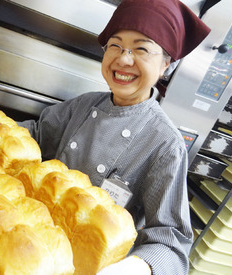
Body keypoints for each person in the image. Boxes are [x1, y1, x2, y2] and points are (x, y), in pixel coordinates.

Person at [18, 0, 211, 274]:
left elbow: (171, 244)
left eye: (141, 49)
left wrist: (134, 269)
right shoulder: (83, 105)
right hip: (28, 240)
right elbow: (34, 135)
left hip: (85, 265)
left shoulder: (165, 144)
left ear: (166, 64)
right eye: (115, 45)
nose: (123, 58)